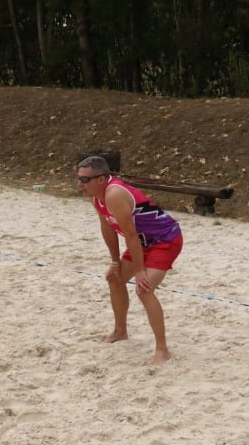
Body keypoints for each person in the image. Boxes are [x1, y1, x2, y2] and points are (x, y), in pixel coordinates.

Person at [77, 156, 182, 365]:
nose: (80, 184)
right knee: (114, 279)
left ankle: (163, 350)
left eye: (85, 180)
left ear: (101, 179)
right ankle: (120, 331)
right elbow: (107, 228)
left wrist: (140, 270)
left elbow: (130, 235)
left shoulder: (114, 194)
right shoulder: (96, 196)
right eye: (78, 178)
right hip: (142, 242)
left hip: (165, 239)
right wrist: (115, 263)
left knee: (144, 289)